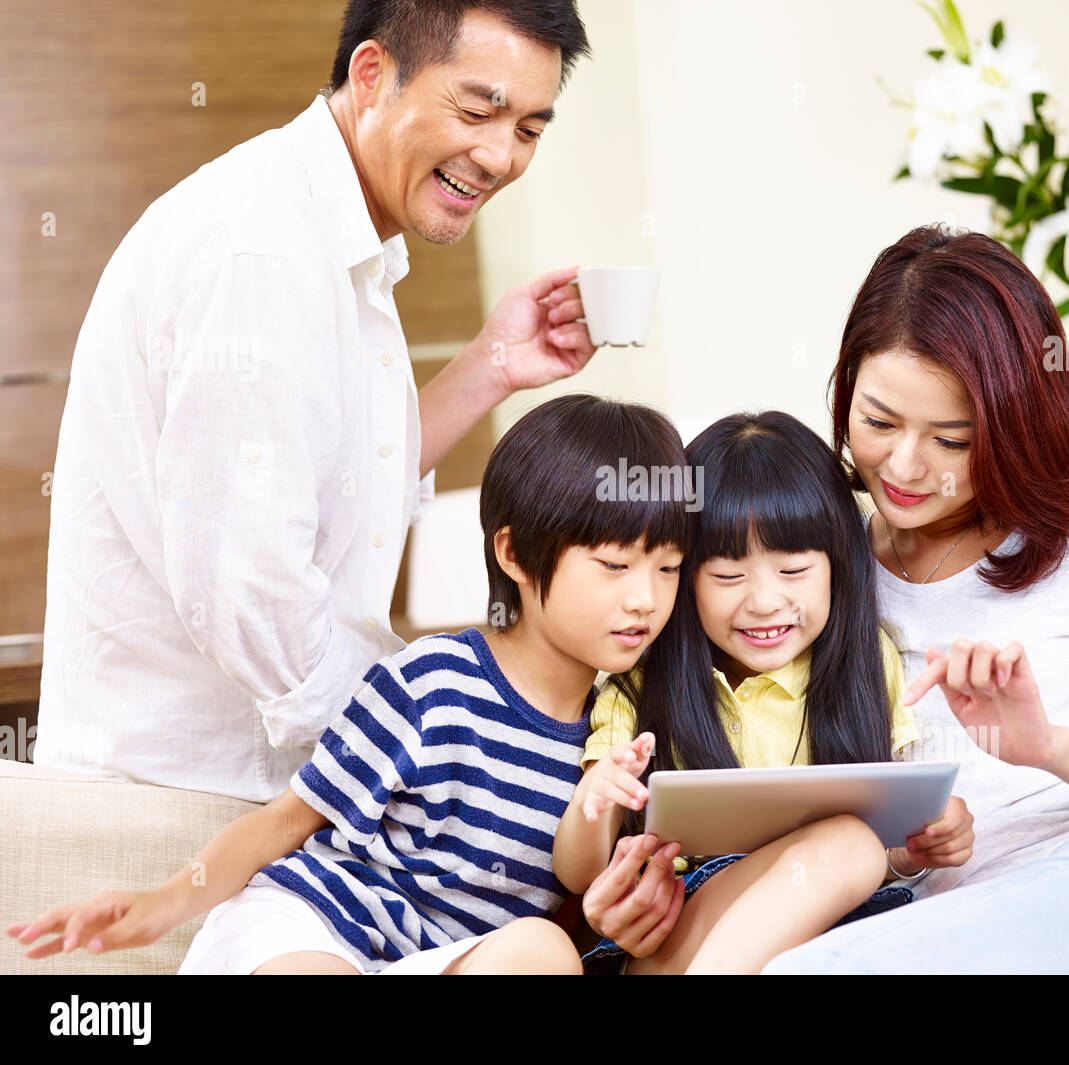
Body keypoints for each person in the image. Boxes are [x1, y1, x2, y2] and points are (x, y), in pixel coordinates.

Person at [36, 0, 598, 803]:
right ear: (371, 76)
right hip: (181, 799)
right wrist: (437, 754)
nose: (500, 155)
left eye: (530, 130)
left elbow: (350, 478)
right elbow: (255, 595)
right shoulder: (263, 253)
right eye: (479, 110)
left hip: (247, 791)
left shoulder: (334, 236)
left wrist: (492, 365)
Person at [9, 395, 690, 974]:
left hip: (426, 962)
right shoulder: (432, 681)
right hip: (309, 933)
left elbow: (559, 915)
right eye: (614, 564)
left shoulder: (618, 739)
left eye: (667, 569)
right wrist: (163, 901)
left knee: (542, 951)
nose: (644, 599)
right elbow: (284, 821)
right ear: (513, 553)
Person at [765, 226, 1069, 975]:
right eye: (878, 421)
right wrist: (903, 853)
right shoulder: (821, 571)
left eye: (952, 440)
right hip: (948, 923)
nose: (904, 464)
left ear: (1015, 424)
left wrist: (1044, 744)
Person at [553, 411, 975, 974]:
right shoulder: (639, 690)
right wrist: (595, 802)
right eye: (728, 578)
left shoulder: (868, 663)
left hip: (831, 934)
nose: (764, 602)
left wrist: (922, 845)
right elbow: (579, 875)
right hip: (679, 932)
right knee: (849, 843)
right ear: (684, 578)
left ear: (837, 567)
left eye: (795, 570)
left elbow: (889, 854)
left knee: (860, 851)